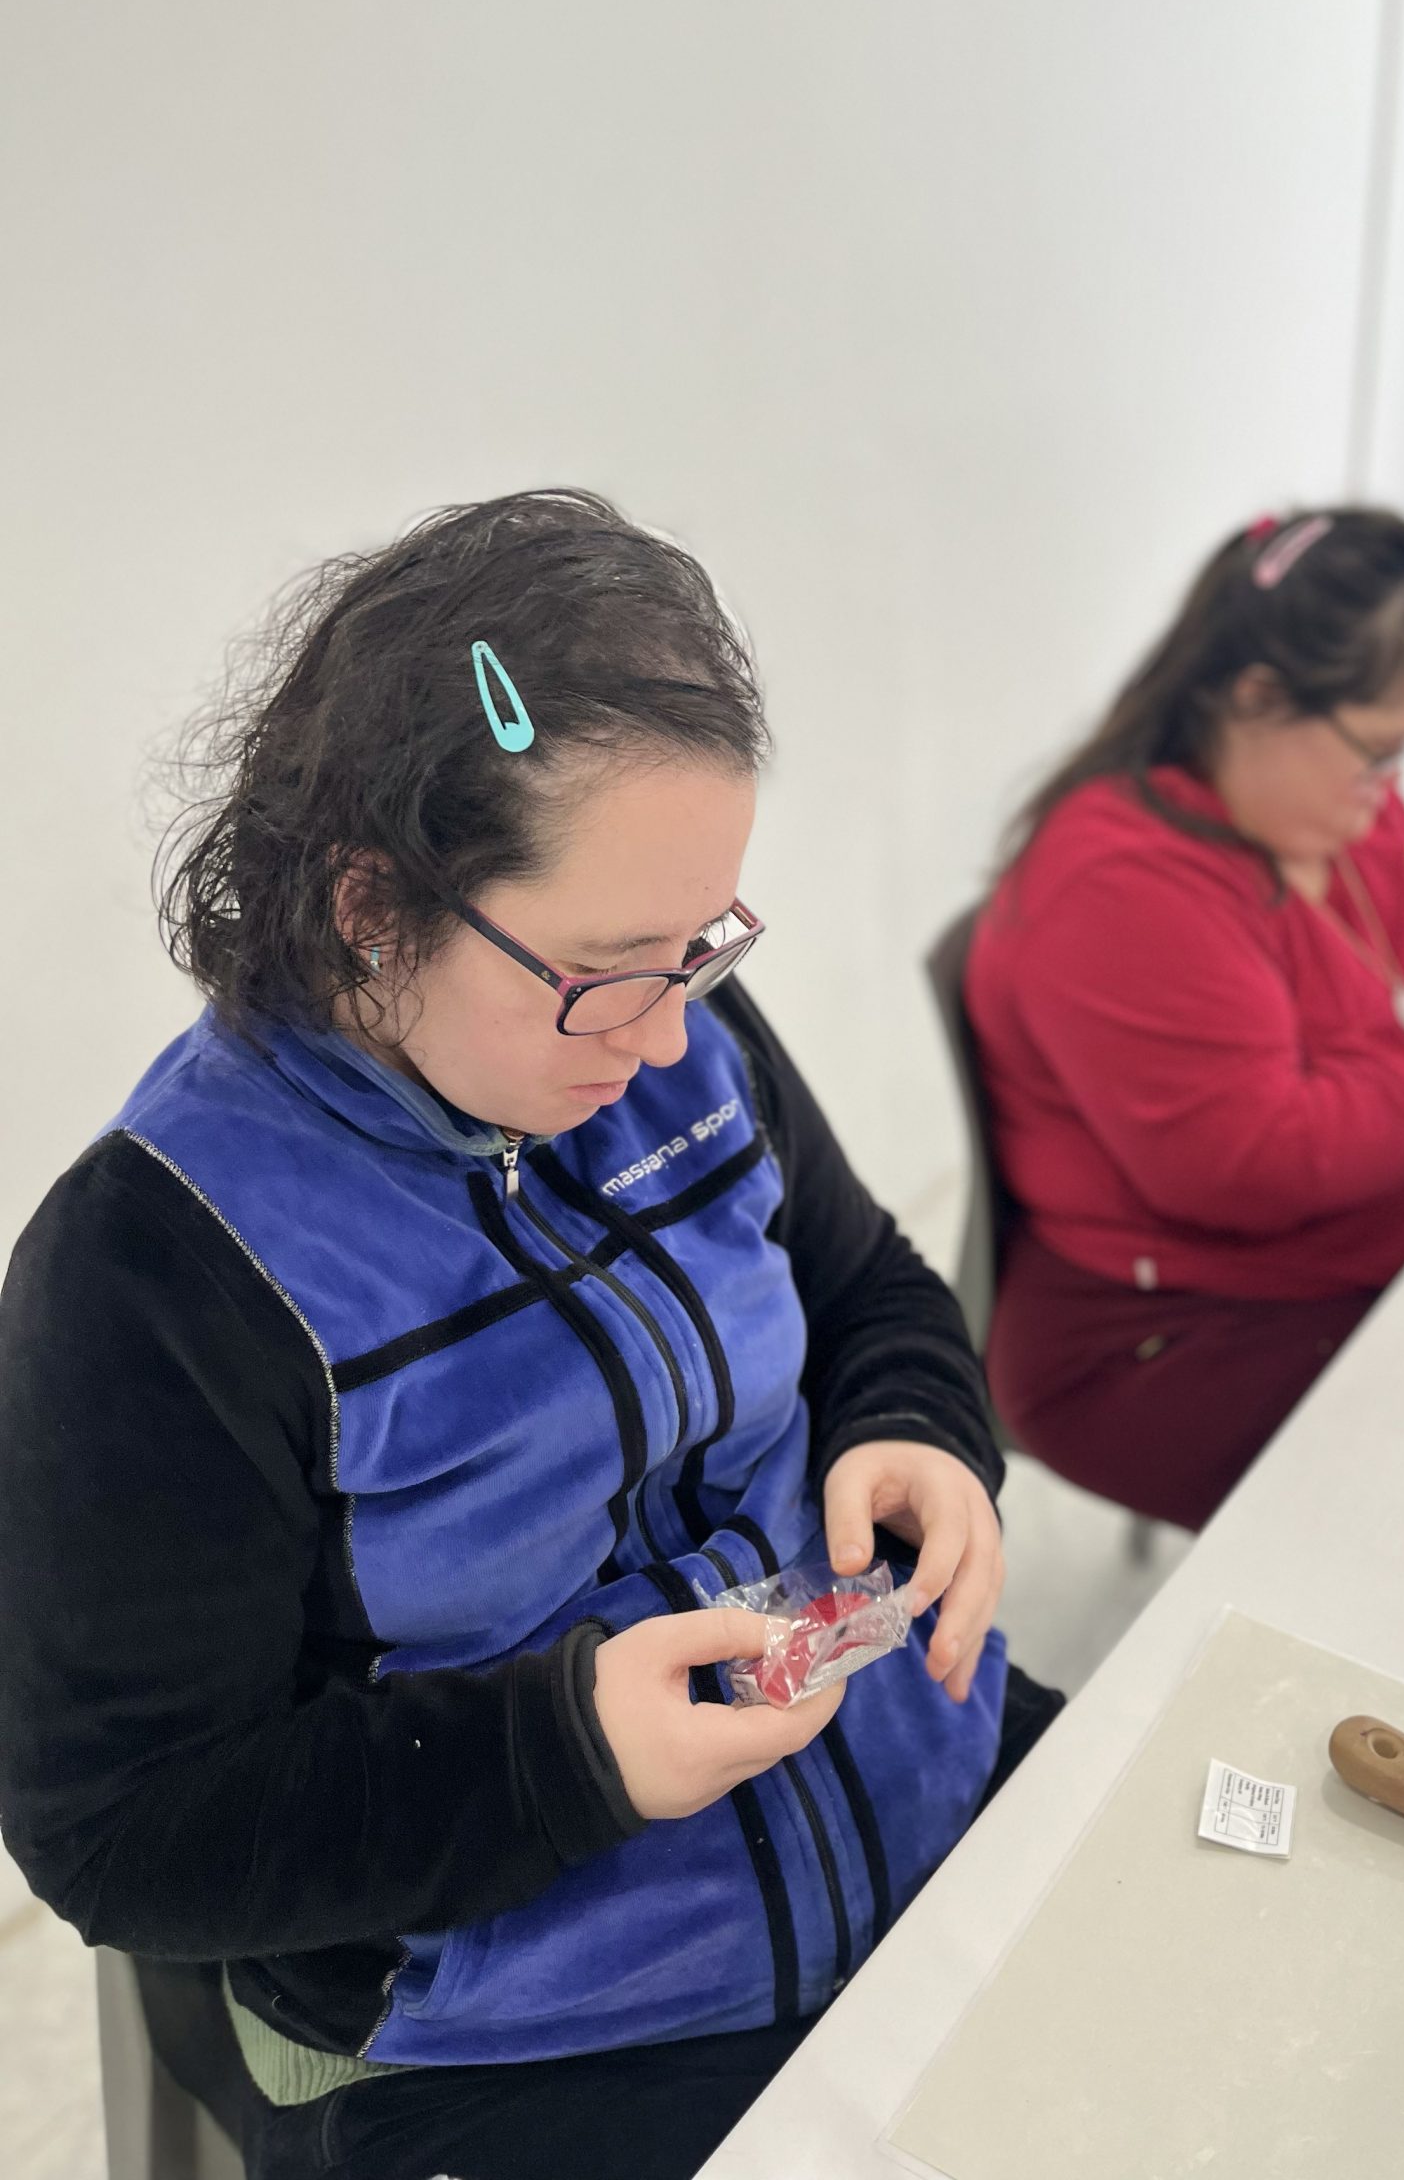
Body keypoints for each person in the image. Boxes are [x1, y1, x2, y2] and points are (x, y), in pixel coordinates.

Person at [0, 492, 1059, 2180]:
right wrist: (559, 1754)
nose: (667, 1039)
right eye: (606, 969)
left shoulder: (669, 1032)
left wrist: (917, 1432)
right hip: (518, 2026)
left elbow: (868, 1287)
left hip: (916, 1779)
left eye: (699, 949)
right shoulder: (160, 1269)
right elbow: (119, 1832)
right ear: (370, 909)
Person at [965, 508, 1404, 1532]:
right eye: (1375, 751)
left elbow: (1399, 987)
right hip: (1171, 1335)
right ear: (1257, 698)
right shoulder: (1120, 885)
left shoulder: (1335, 812)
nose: (1388, 789)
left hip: (1353, 1250)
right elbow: (1249, 1162)